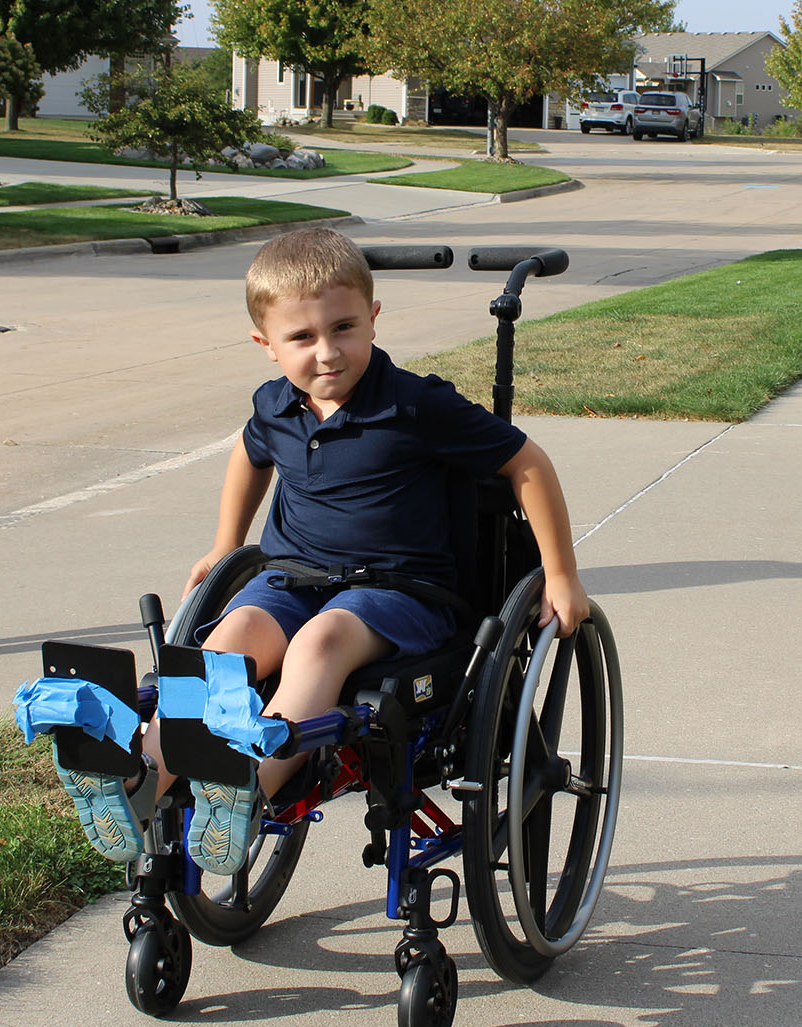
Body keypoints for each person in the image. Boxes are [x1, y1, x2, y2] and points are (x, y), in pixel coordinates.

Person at [58, 227, 588, 872]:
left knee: (320, 642)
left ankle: (247, 788)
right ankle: (144, 778)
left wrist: (560, 575)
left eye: (344, 328)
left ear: (374, 319)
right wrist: (226, 543)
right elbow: (249, 454)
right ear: (267, 345)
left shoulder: (415, 405)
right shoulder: (276, 405)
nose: (328, 352)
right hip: (290, 578)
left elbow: (527, 463)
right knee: (226, 641)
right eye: (303, 338)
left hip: (399, 591)